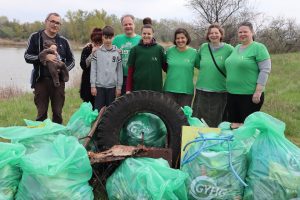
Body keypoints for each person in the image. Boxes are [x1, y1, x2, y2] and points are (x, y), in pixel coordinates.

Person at [24, 12, 75, 124]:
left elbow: (72, 61)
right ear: (46, 22)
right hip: (41, 81)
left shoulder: (63, 41)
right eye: (52, 21)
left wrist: (62, 69)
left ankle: (56, 138)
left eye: (58, 23)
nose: (55, 25)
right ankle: (40, 139)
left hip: (58, 82)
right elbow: (27, 56)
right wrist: (44, 57)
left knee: (57, 113)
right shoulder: (35, 37)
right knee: (41, 114)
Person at [225, 21, 271, 123]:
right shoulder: (236, 47)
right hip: (232, 94)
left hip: (249, 95)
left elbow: (265, 70)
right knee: (234, 125)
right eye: (240, 32)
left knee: (246, 126)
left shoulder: (259, 47)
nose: (242, 34)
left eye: (245, 32)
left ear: (252, 32)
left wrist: (258, 91)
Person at [193, 24, 234, 127]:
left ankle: (215, 140)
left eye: (216, 33)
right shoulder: (203, 47)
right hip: (201, 89)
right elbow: (198, 63)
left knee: (217, 120)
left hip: (220, 90)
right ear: (208, 35)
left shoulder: (229, 49)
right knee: (198, 118)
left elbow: (235, 63)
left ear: (221, 35)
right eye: (211, 33)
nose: (214, 35)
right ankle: (198, 140)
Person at [126, 22, 166, 92]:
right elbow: (130, 71)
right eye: (144, 33)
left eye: (149, 34)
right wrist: (128, 89)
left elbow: (167, 68)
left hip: (155, 89)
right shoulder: (134, 50)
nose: (146, 35)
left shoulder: (159, 49)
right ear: (141, 34)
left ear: (152, 34)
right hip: (138, 89)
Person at [90, 26, 123, 111]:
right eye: (106, 38)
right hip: (99, 87)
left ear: (113, 37)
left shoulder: (117, 53)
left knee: (111, 112)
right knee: (98, 112)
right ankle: (97, 124)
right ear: (102, 37)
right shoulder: (97, 52)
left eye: (110, 38)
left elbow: (119, 71)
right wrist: (93, 86)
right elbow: (93, 70)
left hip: (112, 87)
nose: (108, 40)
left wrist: (119, 87)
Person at [163, 28, 198, 107]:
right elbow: (163, 65)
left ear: (187, 38)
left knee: (183, 116)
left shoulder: (194, 53)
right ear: (175, 40)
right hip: (169, 90)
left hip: (186, 90)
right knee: (168, 116)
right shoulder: (169, 51)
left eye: (182, 38)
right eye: (177, 38)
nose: (180, 40)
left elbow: (202, 67)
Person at [113, 14, 141, 95]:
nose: (128, 26)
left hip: (136, 77)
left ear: (134, 25)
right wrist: (91, 45)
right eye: (125, 24)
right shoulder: (117, 39)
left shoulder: (140, 39)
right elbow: (106, 48)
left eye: (130, 24)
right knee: (123, 103)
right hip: (121, 77)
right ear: (122, 26)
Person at [79, 28, 102, 108]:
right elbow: (83, 65)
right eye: (96, 42)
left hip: (101, 83)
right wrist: (92, 54)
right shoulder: (87, 49)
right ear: (92, 40)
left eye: (100, 42)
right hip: (87, 83)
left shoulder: (106, 49)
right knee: (89, 106)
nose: (98, 45)